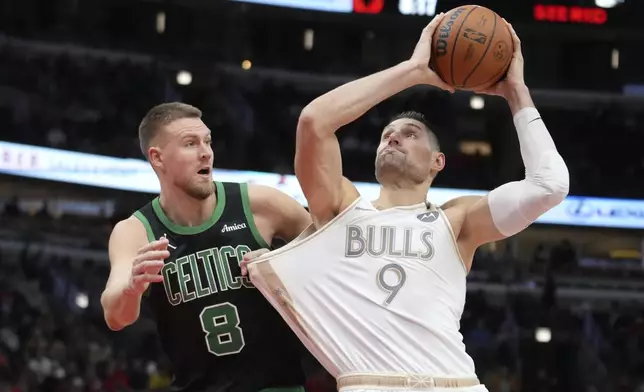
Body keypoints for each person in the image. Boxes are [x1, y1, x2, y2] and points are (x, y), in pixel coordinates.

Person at [243, 14, 569, 392]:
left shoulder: (458, 221)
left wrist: (516, 93)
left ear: (438, 162)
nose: (393, 139)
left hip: (455, 383)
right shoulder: (338, 211)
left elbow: (550, 185)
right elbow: (315, 121)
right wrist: (413, 70)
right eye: (387, 135)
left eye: (409, 134)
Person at [100, 102, 312, 392]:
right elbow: (115, 316)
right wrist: (132, 287)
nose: (205, 152)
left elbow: (333, 251)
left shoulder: (260, 204)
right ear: (158, 158)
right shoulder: (135, 231)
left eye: (207, 141)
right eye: (190, 143)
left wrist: (286, 260)